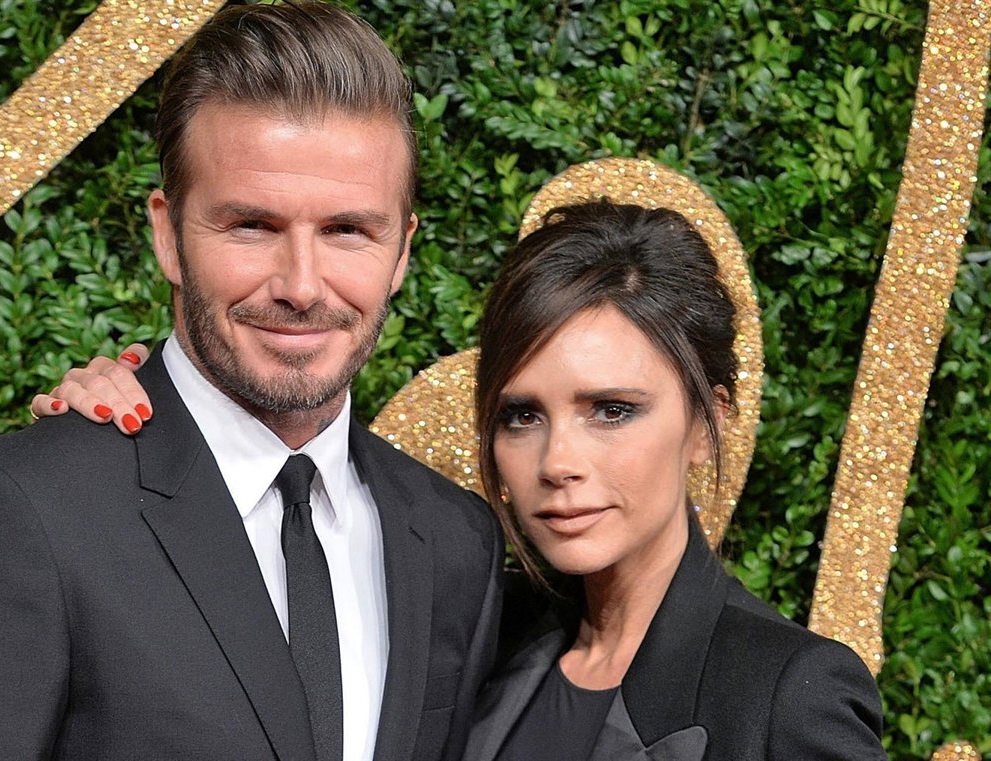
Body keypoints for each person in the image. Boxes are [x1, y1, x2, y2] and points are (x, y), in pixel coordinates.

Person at [0, 4, 502, 760]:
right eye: (251, 225)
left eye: (347, 230)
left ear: (402, 251)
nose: (301, 285)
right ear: (167, 233)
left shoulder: (454, 541)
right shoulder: (10, 514)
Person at [44, 200, 886, 760]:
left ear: (707, 422)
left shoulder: (788, 692)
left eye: (612, 410)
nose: (558, 461)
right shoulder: (479, 619)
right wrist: (151, 424)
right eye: (522, 415)